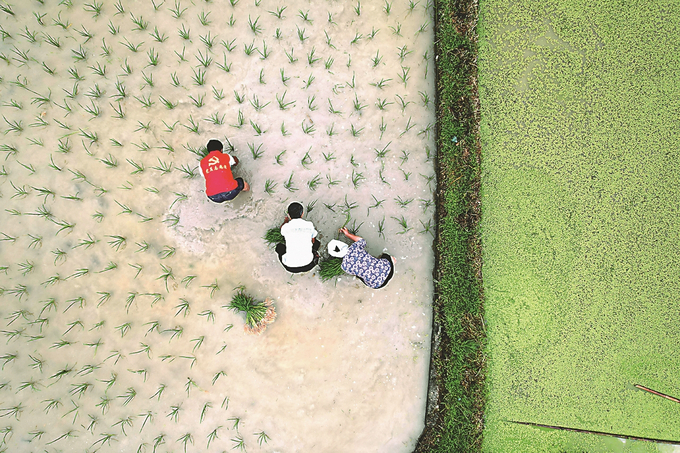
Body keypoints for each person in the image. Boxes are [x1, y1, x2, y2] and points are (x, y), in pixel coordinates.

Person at [276, 202, 320, 273]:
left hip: (290, 268)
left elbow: (282, 229)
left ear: (289, 215)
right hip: (309, 264)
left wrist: (286, 221)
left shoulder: (285, 227)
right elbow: (313, 241)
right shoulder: (309, 225)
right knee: (317, 243)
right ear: (302, 214)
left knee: (279, 247)